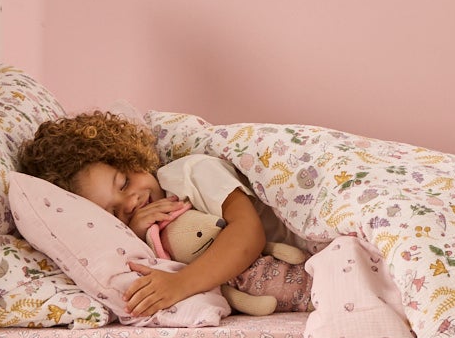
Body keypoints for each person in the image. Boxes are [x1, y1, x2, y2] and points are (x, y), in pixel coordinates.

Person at [18, 111, 269, 320]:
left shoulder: (189, 173)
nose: (130, 203)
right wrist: (138, 235)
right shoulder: (140, 235)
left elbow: (248, 231)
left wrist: (180, 283)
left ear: (128, 155)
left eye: (124, 183)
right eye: (114, 212)